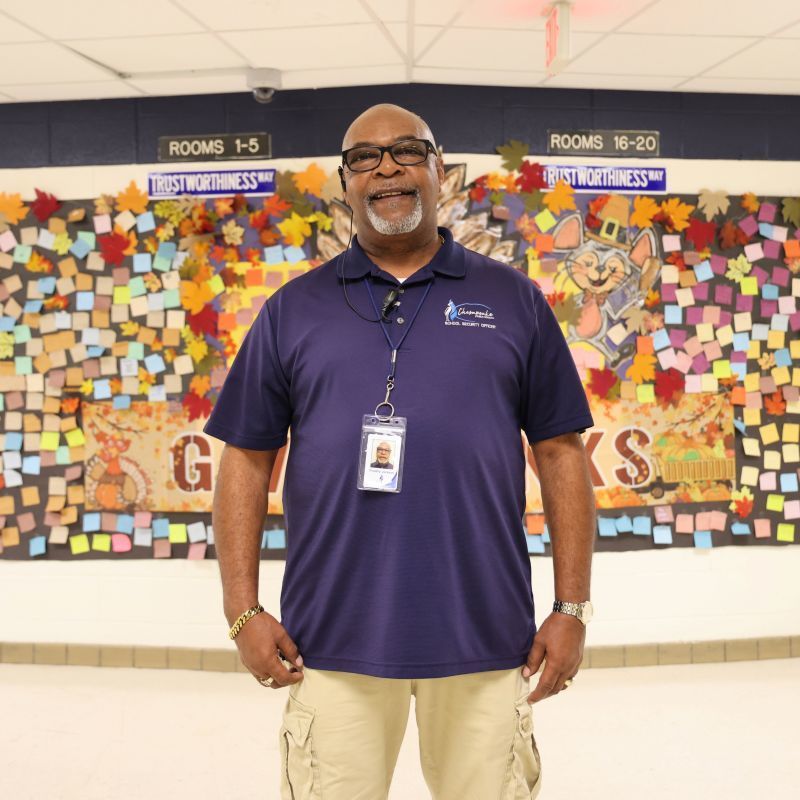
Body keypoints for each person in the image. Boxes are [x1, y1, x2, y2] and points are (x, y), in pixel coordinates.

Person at [205, 103, 596, 800]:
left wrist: (572, 608)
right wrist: (243, 607)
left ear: (439, 171)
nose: (387, 168)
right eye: (365, 158)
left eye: (408, 152)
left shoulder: (514, 301)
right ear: (345, 182)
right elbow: (246, 458)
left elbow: (562, 452)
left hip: (485, 638)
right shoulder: (293, 311)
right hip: (329, 643)